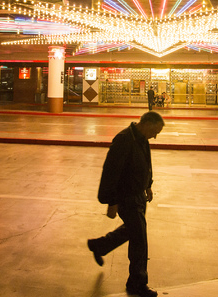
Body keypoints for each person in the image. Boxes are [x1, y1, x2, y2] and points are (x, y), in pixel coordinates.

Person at [87, 111, 164, 297]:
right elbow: (111, 172)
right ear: (146, 124)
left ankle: (100, 245)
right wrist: (111, 202)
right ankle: (137, 283)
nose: (155, 136)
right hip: (125, 197)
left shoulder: (142, 139)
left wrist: (148, 185)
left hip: (138, 196)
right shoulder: (124, 140)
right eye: (155, 131)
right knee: (140, 240)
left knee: (132, 230)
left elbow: (146, 164)